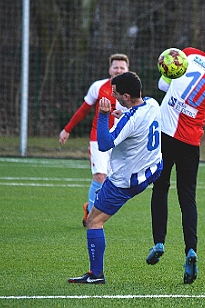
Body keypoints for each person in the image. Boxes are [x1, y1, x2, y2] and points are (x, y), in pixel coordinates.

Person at [146, 26, 205, 284]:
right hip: (190, 141)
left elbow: (163, 84)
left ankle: (159, 242)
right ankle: (191, 249)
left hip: (166, 133)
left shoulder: (187, 56)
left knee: (160, 187)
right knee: (187, 197)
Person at [68, 72, 163, 284]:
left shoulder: (130, 118)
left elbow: (104, 144)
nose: (113, 97)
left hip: (124, 182)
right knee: (97, 206)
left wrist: (103, 115)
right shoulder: (152, 104)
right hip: (153, 169)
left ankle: (96, 275)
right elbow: (140, 123)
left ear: (127, 96)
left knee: (93, 221)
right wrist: (124, 115)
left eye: (116, 94)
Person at [59, 54, 130, 227]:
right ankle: (92, 216)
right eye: (116, 67)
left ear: (127, 70)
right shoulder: (98, 87)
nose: (118, 70)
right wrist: (67, 129)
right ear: (110, 69)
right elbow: (84, 110)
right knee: (99, 176)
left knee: (114, 181)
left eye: (122, 68)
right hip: (98, 138)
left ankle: (91, 208)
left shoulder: (132, 90)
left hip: (121, 141)